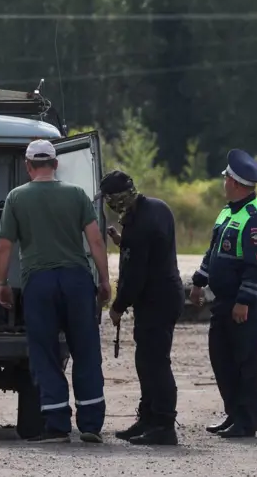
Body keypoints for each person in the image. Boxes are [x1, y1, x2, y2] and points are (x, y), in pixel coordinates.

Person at [0, 139, 111, 444]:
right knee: (85, 350)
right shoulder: (77, 194)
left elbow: (5, 246)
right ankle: (90, 425)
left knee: (45, 353)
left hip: (39, 282)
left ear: (28, 166)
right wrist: (104, 281)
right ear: (56, 164)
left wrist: (2, 284)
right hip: (76, 280)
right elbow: (96, 241)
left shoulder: (16, 197)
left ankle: (57, 426)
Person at [190, 149, 257, 439]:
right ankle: (233, 413)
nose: (223, 181)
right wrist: (199, 282)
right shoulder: (228, 211)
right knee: (222, 359)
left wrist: (244, 300)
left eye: (226, 178)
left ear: (236, 183)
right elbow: (213, 253)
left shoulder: (256, 218)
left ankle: (247, 421)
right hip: (222, 301)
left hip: (244, 304)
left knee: (247, 363)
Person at [100, 170, 185, 446]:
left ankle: (163, 424)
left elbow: (136, 273)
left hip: (156, 300)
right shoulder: (156, 208)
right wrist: (122, 242)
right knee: (147, 360)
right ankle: (148, 418)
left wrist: (117, 307)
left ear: (116, 199)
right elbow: (150, 250)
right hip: (163, 296)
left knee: (155, 362)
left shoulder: (139, 225)